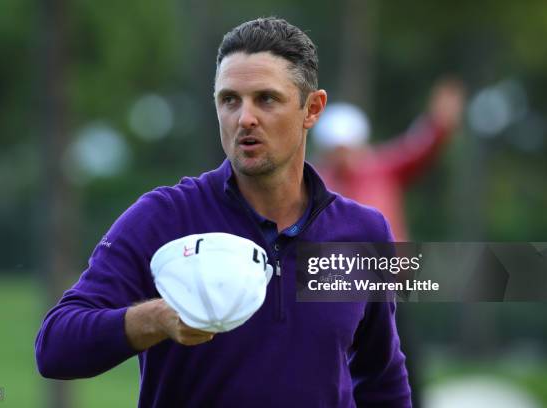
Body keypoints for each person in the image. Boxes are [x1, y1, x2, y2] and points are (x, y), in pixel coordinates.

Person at [35, 17, 411, 407]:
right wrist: (158, 319)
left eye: (266, 99)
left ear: (312, 109)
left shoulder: (362, 231)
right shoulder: (165, 217)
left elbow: (382, 378)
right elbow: (55, 346)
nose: (244, 117)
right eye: (230, 100)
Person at [312, 79, 465, 241]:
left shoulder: (383, 168)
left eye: (346, 148)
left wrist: (438, 125)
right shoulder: (315, 183)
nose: (342, 156)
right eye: (336, 149)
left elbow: (418, 148)